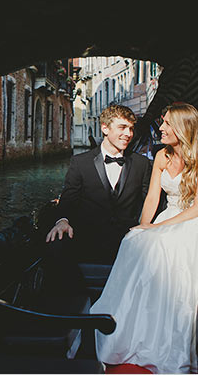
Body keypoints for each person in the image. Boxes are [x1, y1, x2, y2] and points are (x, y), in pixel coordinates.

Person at [90, 103, 198, 373]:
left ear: (182, 127)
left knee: (166, 245)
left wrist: (157, 229)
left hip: (196, 219)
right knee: (134, 241)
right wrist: (144, 226)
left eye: (167, 123)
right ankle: (136, 329)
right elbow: (152, 199)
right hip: (166, 216)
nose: (161, 128)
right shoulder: (161, 157)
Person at [44, 105, 152, 292]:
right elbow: (69, 198)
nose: (128, 133)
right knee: (55, 244)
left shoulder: (142, 164)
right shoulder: (80, 162)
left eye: (131, 129)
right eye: (122, 127)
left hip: (126, 238)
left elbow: (148, 200)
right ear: (105, 128)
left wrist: (145, 226)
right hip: (88, 236)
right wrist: (62, 221)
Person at [130, 55, 198, 156]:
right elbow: (160, 96)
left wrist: (148, 119)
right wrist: (148, 118)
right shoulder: (169, 71)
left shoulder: (185, 60)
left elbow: (173, 94)